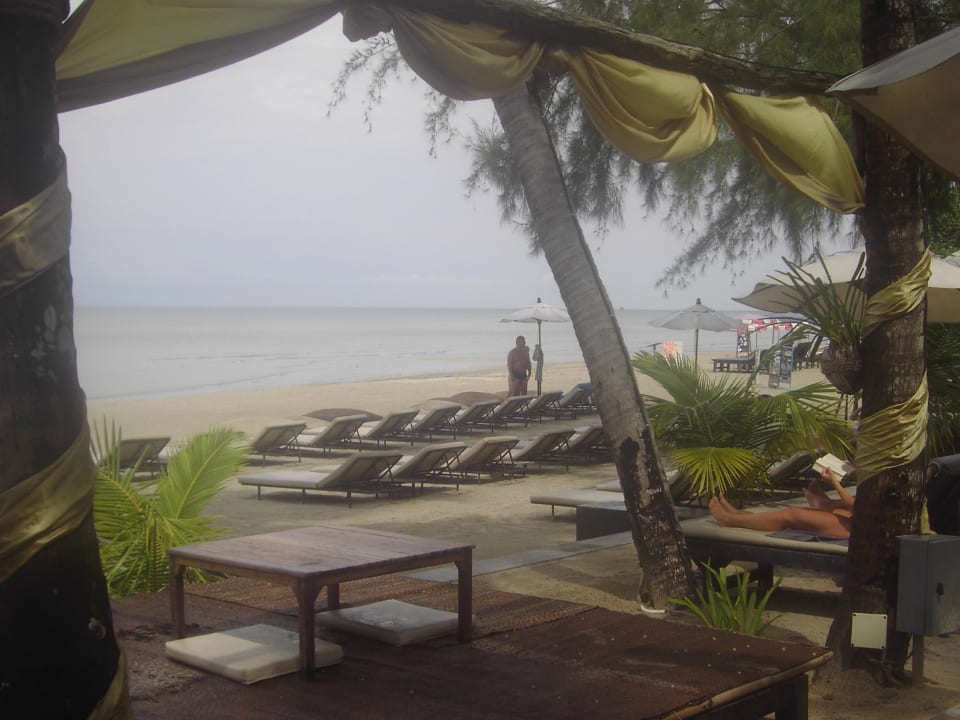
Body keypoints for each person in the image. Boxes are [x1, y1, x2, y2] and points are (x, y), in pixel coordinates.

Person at [709, 465, 855, 538]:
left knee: (792, 514)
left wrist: (835, 483)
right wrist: (853, 471)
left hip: (863, 530)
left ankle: (729, 520)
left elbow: (857, 506)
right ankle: (741, 516)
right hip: (863, 521)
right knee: (836, 511)